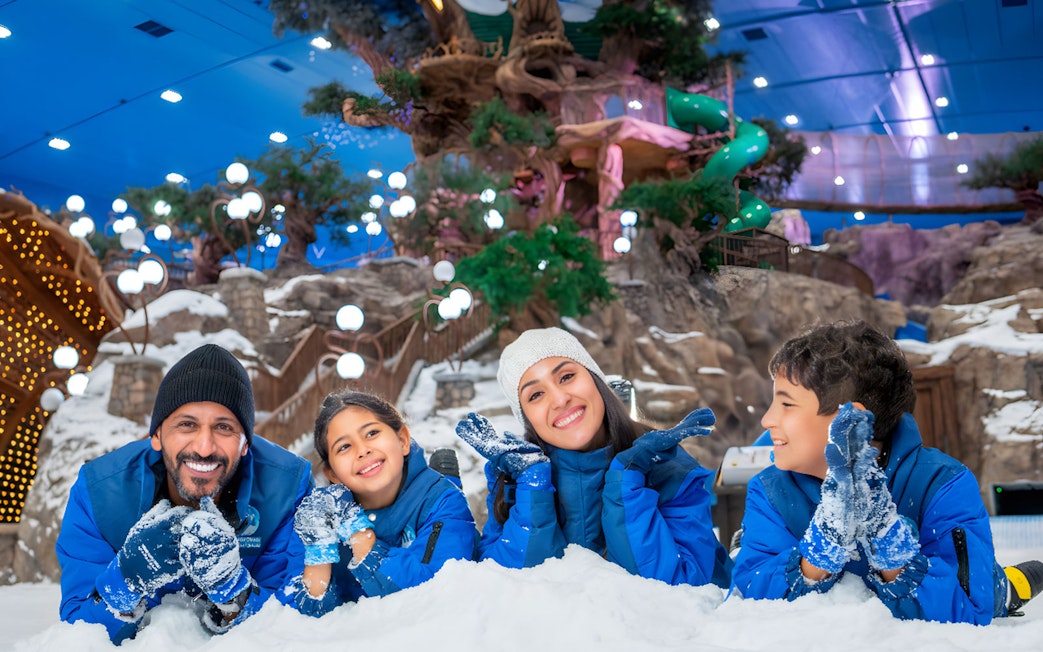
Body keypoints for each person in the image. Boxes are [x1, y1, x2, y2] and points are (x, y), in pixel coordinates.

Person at [730, 320, 1043, 623]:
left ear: (850, 418)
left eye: (786, 404)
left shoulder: (942, 483)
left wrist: (889, 545)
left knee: (997, 589)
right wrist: (821, 550)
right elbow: (751, 595)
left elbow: (970, 607)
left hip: (978, 581)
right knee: (747, 555)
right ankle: (741, 545)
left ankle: (1012, 583)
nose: (767, 420)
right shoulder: (770, 489)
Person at [56, 344, 313, 643]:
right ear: (156, 435)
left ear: (245, 445)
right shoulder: (100, 493)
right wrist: (124, 583)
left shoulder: (287, 490)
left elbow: (297, 621)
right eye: (187, 424)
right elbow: (77, 631)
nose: (204, 448)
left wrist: (237, 596)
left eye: (224, 427)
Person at [456, 327, 731, 588]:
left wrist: (627, 482)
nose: (560, 399)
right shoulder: (514, 483)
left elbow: (683, 592)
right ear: (527, 420)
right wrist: (533, 487)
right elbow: (503, 592)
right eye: (536, 394)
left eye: (566, 377)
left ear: (595, 380)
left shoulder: (669, 469)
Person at [283, 391, 478, 616]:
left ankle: (446, 475)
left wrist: (359, 535)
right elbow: (296, 615)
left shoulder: (443, 501)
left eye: (372, 433)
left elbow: (436, 588)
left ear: (403, 440)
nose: (362, 450)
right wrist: (318, 553)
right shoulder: (318, 517)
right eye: (344, 447)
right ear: (332, 474)